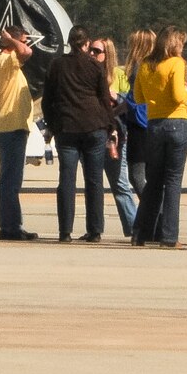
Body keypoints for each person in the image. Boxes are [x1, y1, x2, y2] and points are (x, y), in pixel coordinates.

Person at [42, 29, 115, 243]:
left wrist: (53, 124)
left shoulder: (57, 65)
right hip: (94, 126)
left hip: (66, 128)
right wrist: (110, 125)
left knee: (66, 179)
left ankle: (65, 231)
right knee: (94, 180)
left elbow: (48, 100)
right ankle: (95, 230)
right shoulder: (94, 66)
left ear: (69, 43)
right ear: (87, 44)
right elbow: (103, 98)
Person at [131, 26, 187, 248]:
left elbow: (139, 97)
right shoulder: (177, 63)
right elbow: (178, 95)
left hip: (154, 124)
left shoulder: (145, 64)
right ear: (175, 43)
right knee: (173, 181)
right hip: (176, 123)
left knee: (154, 182)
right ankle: (168, 236)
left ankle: (140, 232)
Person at [0, 22, 38, 240]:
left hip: (14, 127)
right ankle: (9, 226)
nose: (26, 44)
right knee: (10, 179)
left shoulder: (10, 65)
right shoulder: (4, 61)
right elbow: (25, 51)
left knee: (11, 178)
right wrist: (11, 41)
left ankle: (12, 224)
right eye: (23, 39)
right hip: (10, 127)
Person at [100, 36, 139, 237]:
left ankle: (136, 225)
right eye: (91, 51)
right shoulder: (90, 73)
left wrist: (116, 98)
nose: (93, 55)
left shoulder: (120, 75)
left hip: (116, 135)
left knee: (120, 183)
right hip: (97, 132)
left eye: (98, 52)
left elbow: (132, 102)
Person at [120, 29, 154, 202]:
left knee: (136, 174)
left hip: (140, 123)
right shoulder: (153, 66)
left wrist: (116, 110)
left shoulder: (139, 67)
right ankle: (154, 210)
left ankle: (152, 209)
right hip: (151, 121)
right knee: (149, 174)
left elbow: (134, 97)